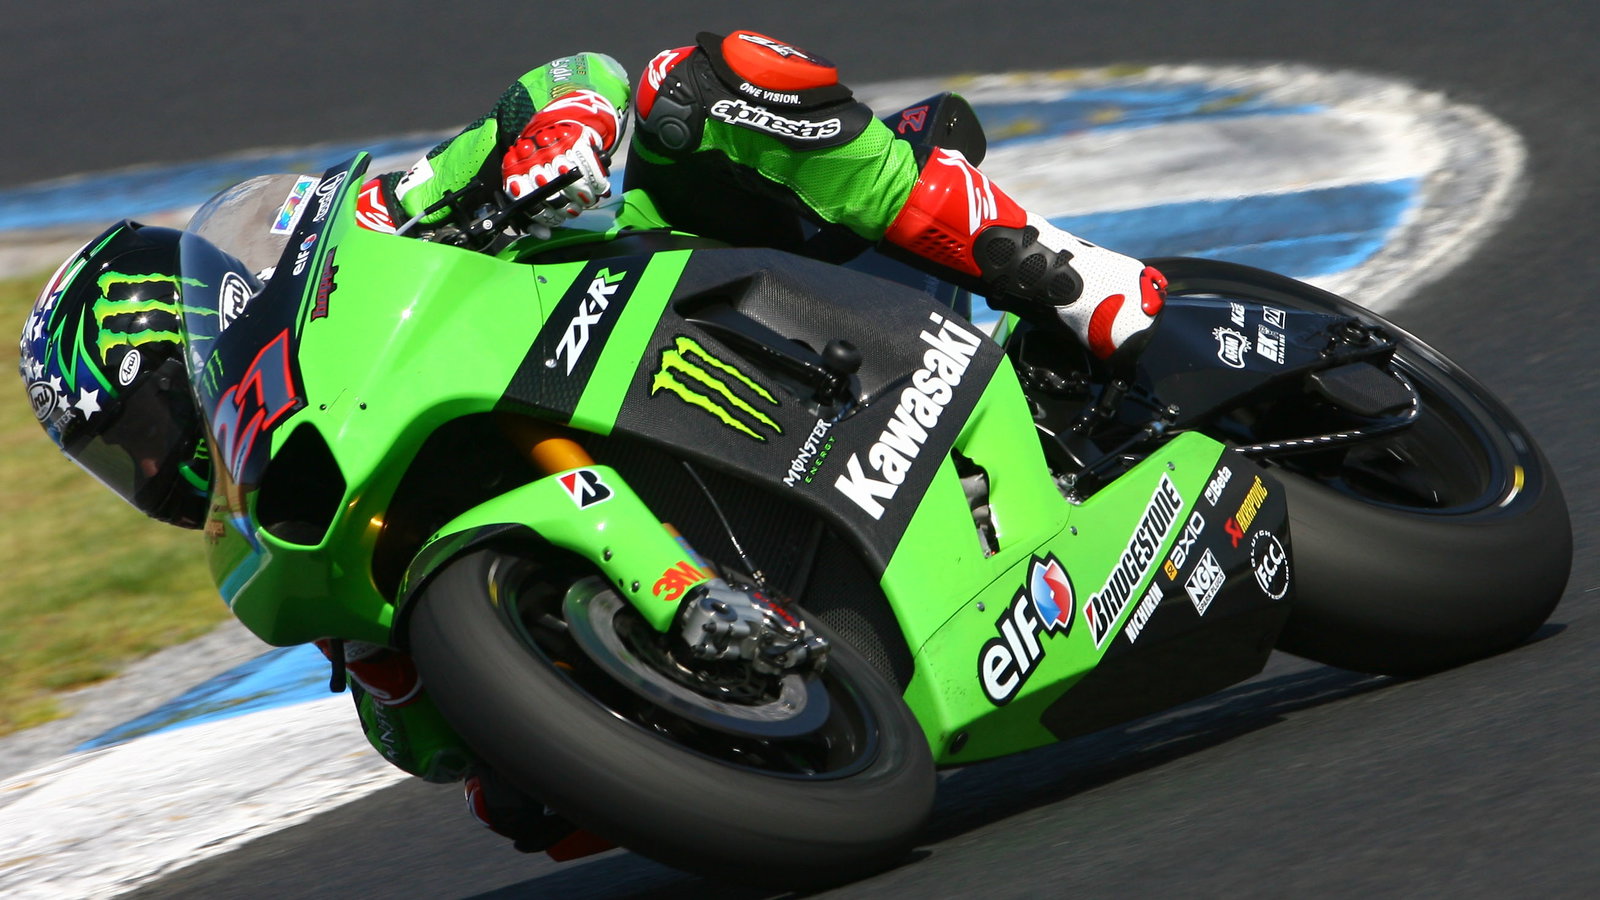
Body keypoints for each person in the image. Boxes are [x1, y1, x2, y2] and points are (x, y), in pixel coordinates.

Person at [18, 31, 1166, 854]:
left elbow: (577, 79)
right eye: (118, 465)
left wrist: (553, 139)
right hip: (703, 499)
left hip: (718, 287)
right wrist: (490, 737)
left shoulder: (373, 222)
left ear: (189, 334)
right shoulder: (307, 548)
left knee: (703, 86)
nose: (153, 472)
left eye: (141, 428)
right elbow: (460, 771)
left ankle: (1064, 274)